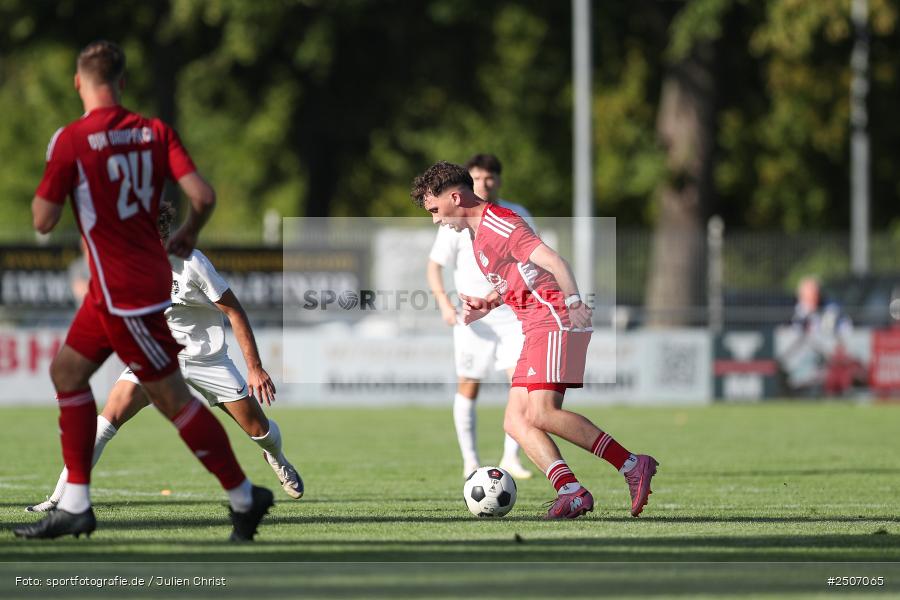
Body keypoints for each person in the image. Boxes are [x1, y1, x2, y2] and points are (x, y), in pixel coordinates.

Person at [14, 40, 272, 541]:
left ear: (77, 83)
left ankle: (244, 496)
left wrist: (62, 186)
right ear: (123, 84)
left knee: (173, 398)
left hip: (123, 288)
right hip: (126, 284)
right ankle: (77, 503)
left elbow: (43, 221)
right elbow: (204, 195)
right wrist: (192, 229)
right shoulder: (155, 131)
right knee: (66, 371)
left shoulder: (70, 139)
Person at [412, 161, 658, 519]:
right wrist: (489, 303)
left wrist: (573, 302)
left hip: (554, 319)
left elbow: (555, 262)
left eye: (435, 210)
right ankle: (571, 492)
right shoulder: (478, 235)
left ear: (454, 197)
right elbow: (521, 278)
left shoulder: (501, 223)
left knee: (543, 413)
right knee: (515, 421)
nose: (436, 220)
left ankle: (632, 464)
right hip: (535, 325)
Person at [27, 203, 303, 513]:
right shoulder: (127, 264)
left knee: (259, 430)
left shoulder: (192, 263)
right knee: (107, 419)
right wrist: (77, 374)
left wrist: (254, 368)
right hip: (155, 354)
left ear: (162, 235)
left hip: (206, 358)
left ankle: (276, 458)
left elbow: (233, 310)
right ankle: (59, 498)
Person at [426, 154, 533, 479]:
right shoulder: (454, 218)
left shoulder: (516, 215)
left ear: (498, 180)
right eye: (477, 178)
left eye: (489, 178)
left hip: (511, 314)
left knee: (521, 386)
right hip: (473, 318)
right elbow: (434, 266)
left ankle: (511, 457)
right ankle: (470, 461)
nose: (484, 184)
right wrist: (445, 304)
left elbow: (532, 259)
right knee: (469, 386)